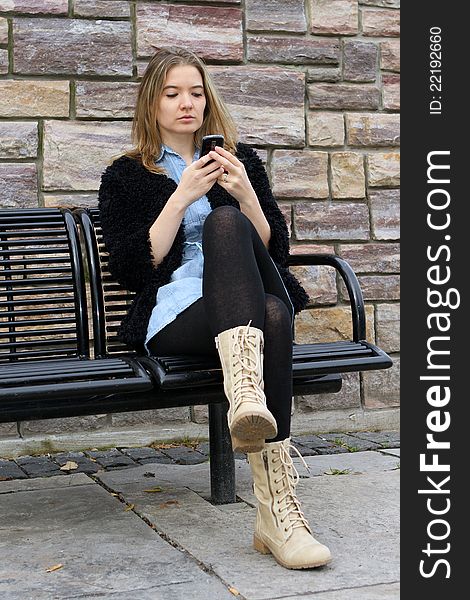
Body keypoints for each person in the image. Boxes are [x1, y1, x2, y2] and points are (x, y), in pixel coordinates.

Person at [98, 46, 332, 570]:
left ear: (208, 99)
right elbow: (132, 268)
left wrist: (245, 193)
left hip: (245, 296)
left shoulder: (240, 159)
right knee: (272, 314)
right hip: (179, 313)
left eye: (196, 92)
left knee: (236, 233)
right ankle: (277, 511)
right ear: (151, 104)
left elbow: (274, 254)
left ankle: (255, 427)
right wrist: (180, 196)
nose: (187, 103)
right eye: (172, 93)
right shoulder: (127, 175)